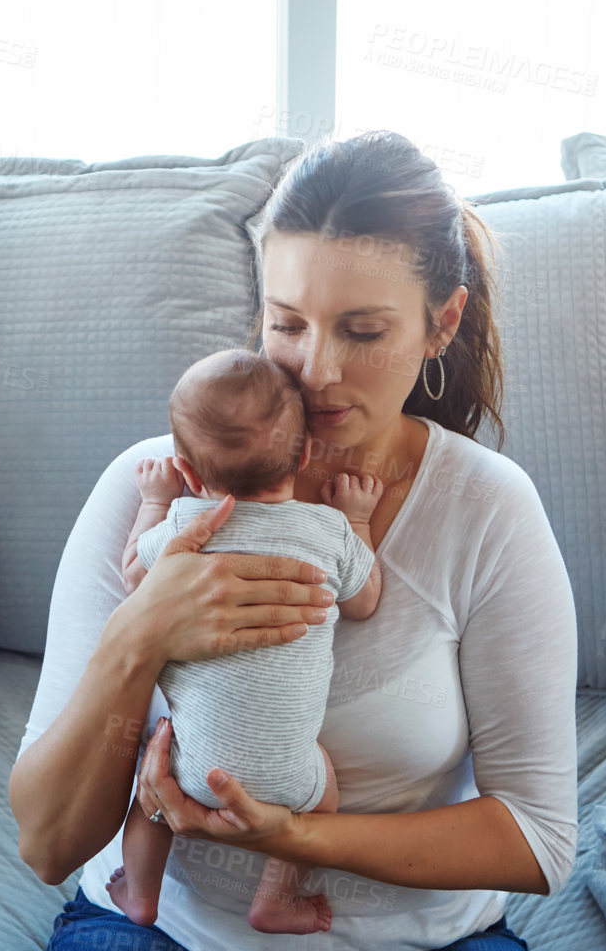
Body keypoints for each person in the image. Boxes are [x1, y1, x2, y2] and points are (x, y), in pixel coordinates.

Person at [10, 130, 578, 950]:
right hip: (166, 933)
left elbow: (537, 841)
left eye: (363, 331)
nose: (315, 371)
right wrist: (139, 635)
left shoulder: (485, 508)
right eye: (286, 324)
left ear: (440, 322)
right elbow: (46, 845)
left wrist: (291, 838)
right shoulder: (154, 487)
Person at [108, 348, 383, 934]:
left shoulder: (183, 524)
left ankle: (140, 892)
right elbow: (364, 601)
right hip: (292, 779)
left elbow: (133, 575)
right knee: (325, 798)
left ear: (185, 467)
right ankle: (276, 898)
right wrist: (356, 519)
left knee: (149, 797)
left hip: (188, 767)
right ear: (306, 452)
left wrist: (155, 500)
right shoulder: (327, 530)